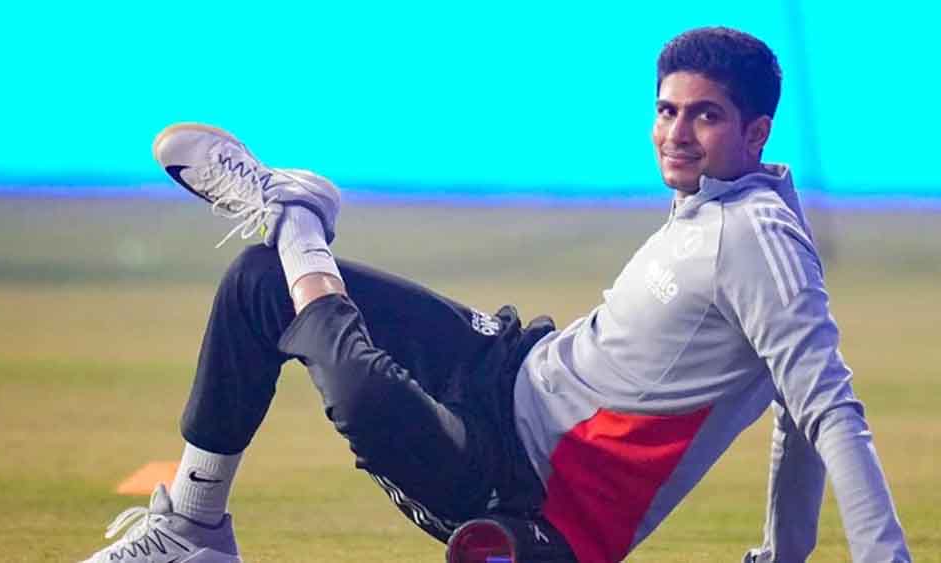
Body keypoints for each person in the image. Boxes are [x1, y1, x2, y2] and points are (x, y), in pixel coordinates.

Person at [79, 27, 911, 563]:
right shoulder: (719, 201)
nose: (676, 133)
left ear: (756, 131)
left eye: (705, 116)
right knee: (258, 284)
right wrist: (785, 552)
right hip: (509, 368)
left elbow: (826, 409)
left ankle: (299, 222)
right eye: (667, 111)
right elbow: (790, 408)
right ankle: (192, 525)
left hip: (524, 488)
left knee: (361, 394)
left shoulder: (759, 239)